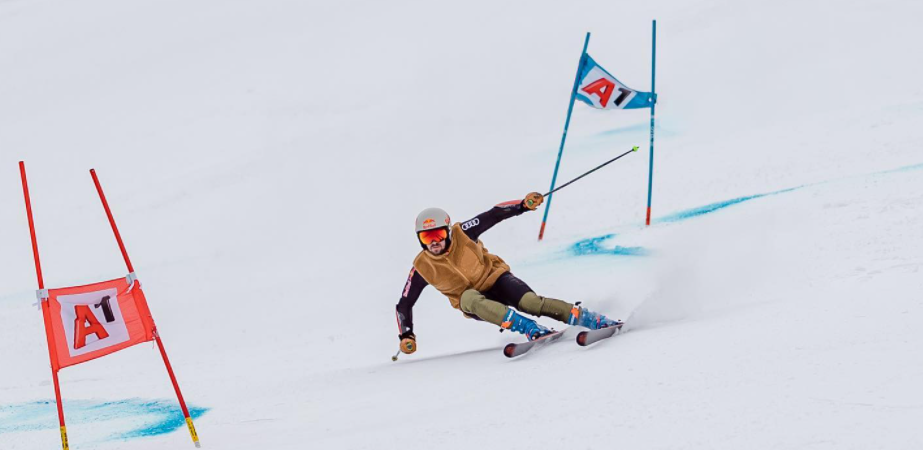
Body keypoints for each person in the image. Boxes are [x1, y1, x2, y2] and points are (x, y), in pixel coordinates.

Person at [395, 192, 622, 355]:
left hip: (496, 279)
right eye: (426, 238)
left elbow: (494, 214)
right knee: (469, 298)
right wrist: (407, 335)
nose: (434, 242)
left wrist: (523, 205)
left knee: (531, 303)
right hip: (475, 302)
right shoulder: (422, 267)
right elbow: (403, 305)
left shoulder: (462, 232)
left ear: (447, 232)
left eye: (438, 235)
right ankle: (530, 328)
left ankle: (591, 319)